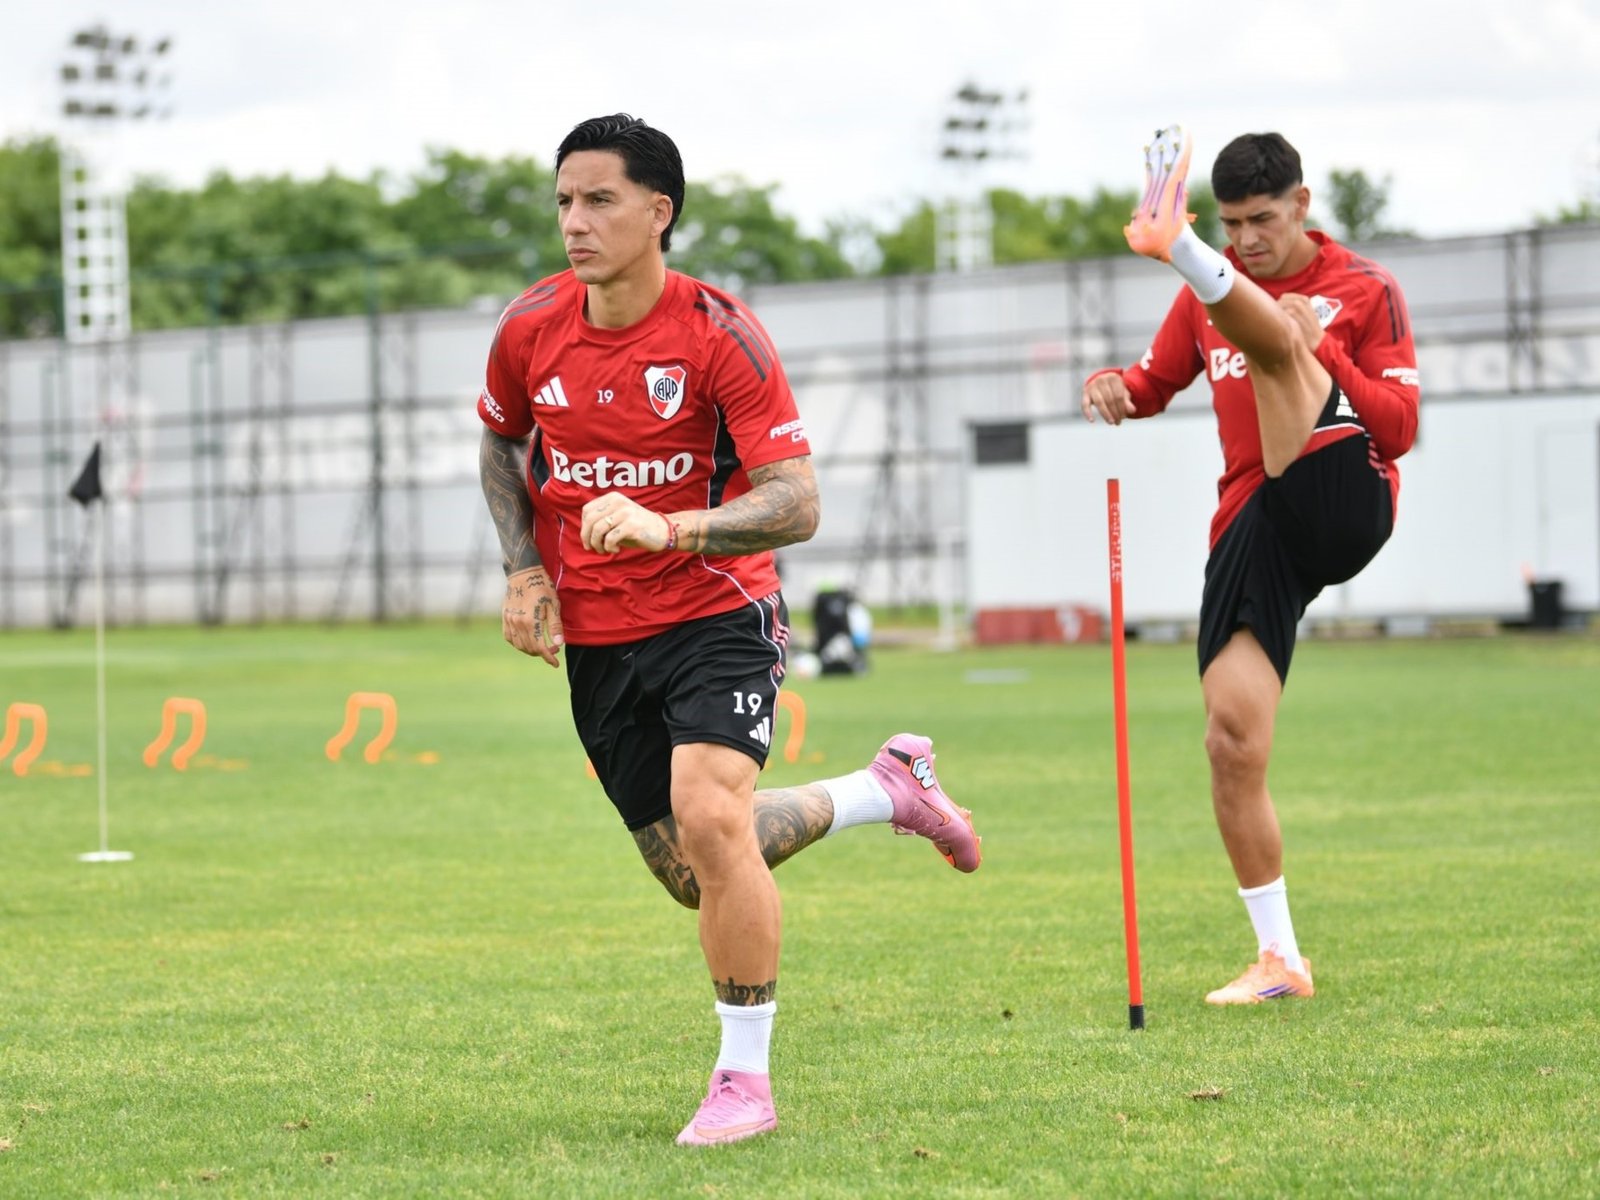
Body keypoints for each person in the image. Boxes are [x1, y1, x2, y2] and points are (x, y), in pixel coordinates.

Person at [476, 114, 982, 1145]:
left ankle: (743, 1082)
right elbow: (499, 442)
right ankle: (881, 789)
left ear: (658, 213)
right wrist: (524, 566)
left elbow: (796, 502)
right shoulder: (531, 327)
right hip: (600, 634)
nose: (574, 221)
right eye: (563, 201)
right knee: (688, 869)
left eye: (598, 200)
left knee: (711, 820)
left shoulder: (718, 335)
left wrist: (674, 525)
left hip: (719, 609)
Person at [1081, 126, 1419, 1005]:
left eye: (1261, 221)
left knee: (1277, 348)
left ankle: (1170, 241)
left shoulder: (1364, 288)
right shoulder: (1205, 305)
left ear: (1302, 204)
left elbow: (1400, 430)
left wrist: (1322, 347)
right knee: (1230, 741)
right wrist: (1115, 385)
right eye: (1228, 228)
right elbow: (1154, 384)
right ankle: (1281, 960)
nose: (1250, 241)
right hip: (1257, 523)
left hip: (1345, 494)